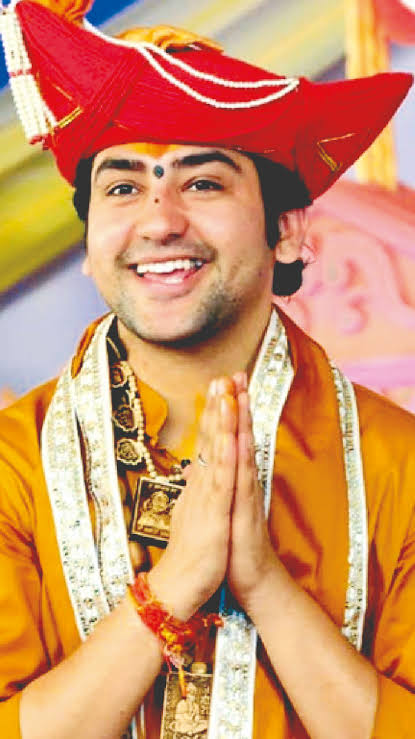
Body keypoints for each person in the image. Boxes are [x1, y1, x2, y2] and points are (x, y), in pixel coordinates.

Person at [0, 1, 414, 738]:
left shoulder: (398, 466)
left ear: (286, 231)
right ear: (90, 243)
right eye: (123, 187)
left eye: (203, 183)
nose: (160, 220)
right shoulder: (12, 467)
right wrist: (171, 590)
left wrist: (266, 586)